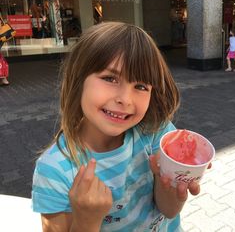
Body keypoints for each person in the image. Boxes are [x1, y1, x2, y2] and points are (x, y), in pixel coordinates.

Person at [32, 22, 207, 231]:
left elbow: (169, 211)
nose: (125, 99)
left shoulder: (154, 132)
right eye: (110, 78)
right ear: (77, 79)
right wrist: (87, 220)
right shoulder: (54, 171)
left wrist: (168, 181)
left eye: (141, 86)